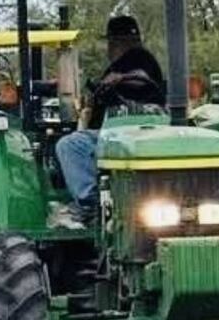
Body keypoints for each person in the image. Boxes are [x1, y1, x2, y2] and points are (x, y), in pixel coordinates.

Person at [50, 15, 166, 229]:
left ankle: (89, 202)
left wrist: (119, 79)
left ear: (117, 43)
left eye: (112, 43)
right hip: (145, 131)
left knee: (69, 145)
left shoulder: (138, 62)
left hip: (127, 130)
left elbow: (140, 76)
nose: (109, 48)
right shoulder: (141, 64)